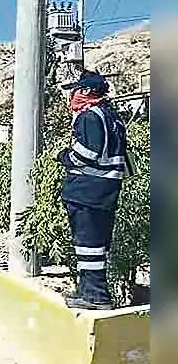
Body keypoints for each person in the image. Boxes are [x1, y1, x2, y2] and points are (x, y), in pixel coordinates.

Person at [58, 70, 129, 310]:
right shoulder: (113, 117)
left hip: (86, 192)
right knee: (97, 247)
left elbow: (86, 154)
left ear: (87, 91)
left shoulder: (89, 116)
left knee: (87, 246)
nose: (73, 95)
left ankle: (95, 297)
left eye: (76, 89)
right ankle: (90, 292)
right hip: (107, 192)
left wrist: (64, 156)